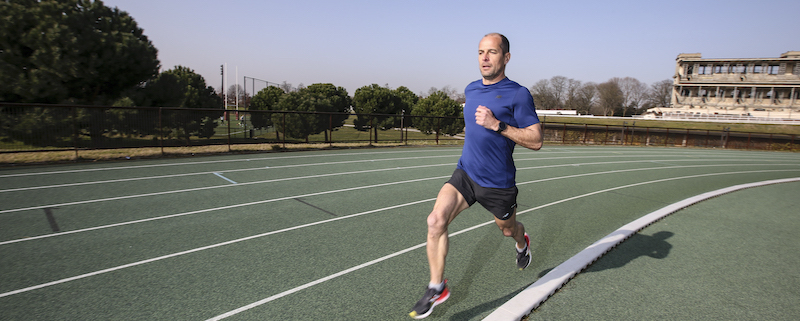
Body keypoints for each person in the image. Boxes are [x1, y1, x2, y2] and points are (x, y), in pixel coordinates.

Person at [409, 33, 543, 319]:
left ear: (505, 58)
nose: (484, 57)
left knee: (507, 229)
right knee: (435, 220)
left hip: (498, 185)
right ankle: (437, 287)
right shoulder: (471, 89)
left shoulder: (518, 94)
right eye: (481, 52)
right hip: (466, 174)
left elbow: (536, 140)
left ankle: (522, 242)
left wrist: (498, 126)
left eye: (492, 52)